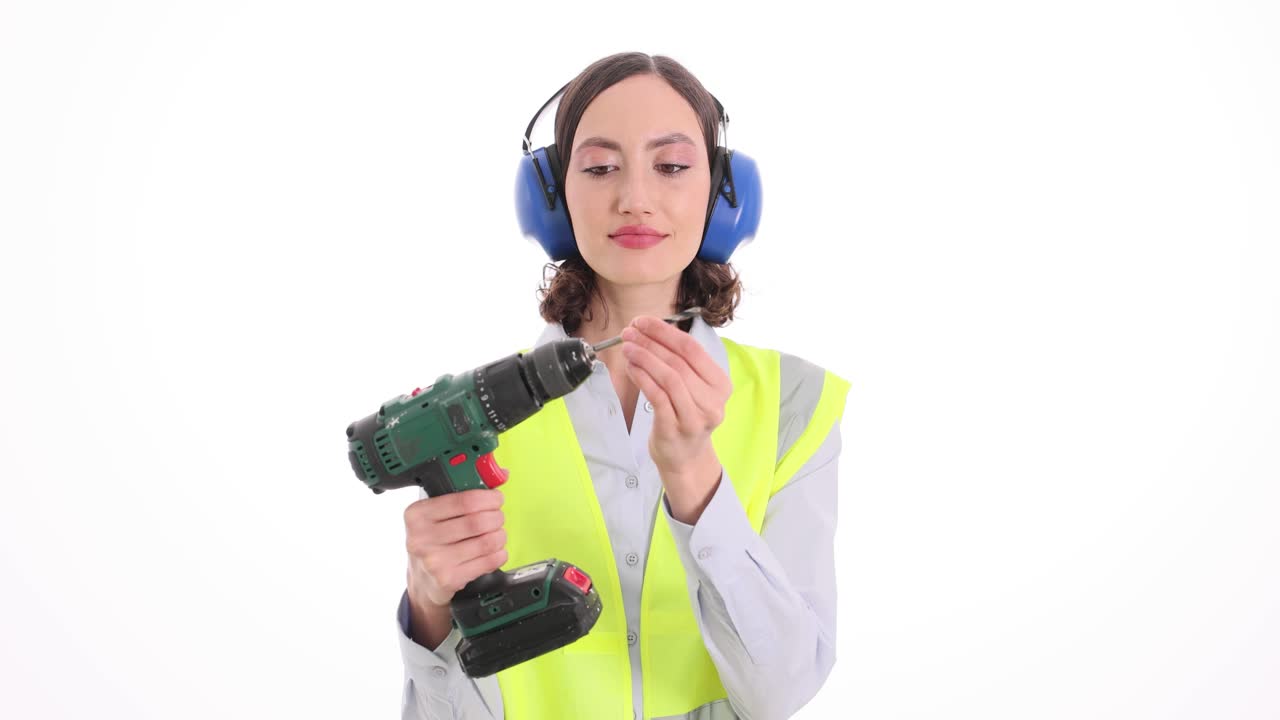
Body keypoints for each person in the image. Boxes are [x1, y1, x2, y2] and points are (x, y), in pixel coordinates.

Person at [396, 51, 850, 720]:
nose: (635, 198)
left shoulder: (796, 404)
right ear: (550, 197)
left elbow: (780, 692)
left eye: (670, 166)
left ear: (723, 194)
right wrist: (429, 611)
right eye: (601, 167)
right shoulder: (474, 415)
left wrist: (697, 478)